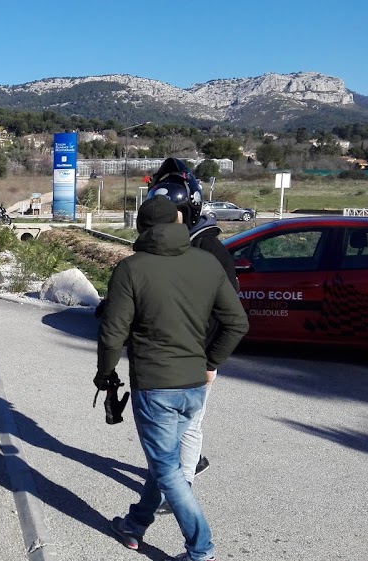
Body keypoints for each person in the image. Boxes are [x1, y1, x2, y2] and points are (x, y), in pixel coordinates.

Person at [98, 196, 248, 561]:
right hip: (195, 383)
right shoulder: (208, 263)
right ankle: (135, 524)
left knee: (167, 469)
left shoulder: (131, 269)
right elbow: (237, 323)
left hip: (155, 385)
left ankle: (201, 550)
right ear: (179, 221)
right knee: (161, 461)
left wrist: (105, 374)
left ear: (141, 228)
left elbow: (112, 334)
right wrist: (212, 362)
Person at [147, 158, 239, 508]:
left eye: (172, 216)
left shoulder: (210, 251)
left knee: (186, 425)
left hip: (195, 357)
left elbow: (231, 317)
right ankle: (185, 468)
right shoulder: (177, 246)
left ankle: (180, 489)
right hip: (170, 354)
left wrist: (211, 360)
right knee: (175, 426)